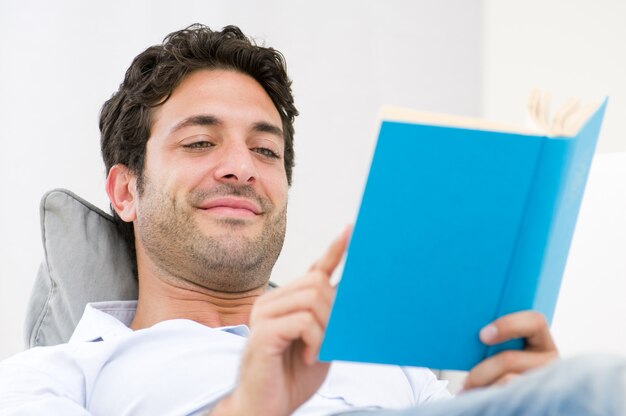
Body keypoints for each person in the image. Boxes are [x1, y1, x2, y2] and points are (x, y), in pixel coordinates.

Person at [0, 24, 621, 416]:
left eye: (266, 150)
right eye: (199, 143)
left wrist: (519, 396)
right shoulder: (55, 377)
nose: (241, 167)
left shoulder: (387, 357)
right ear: (125, 191)